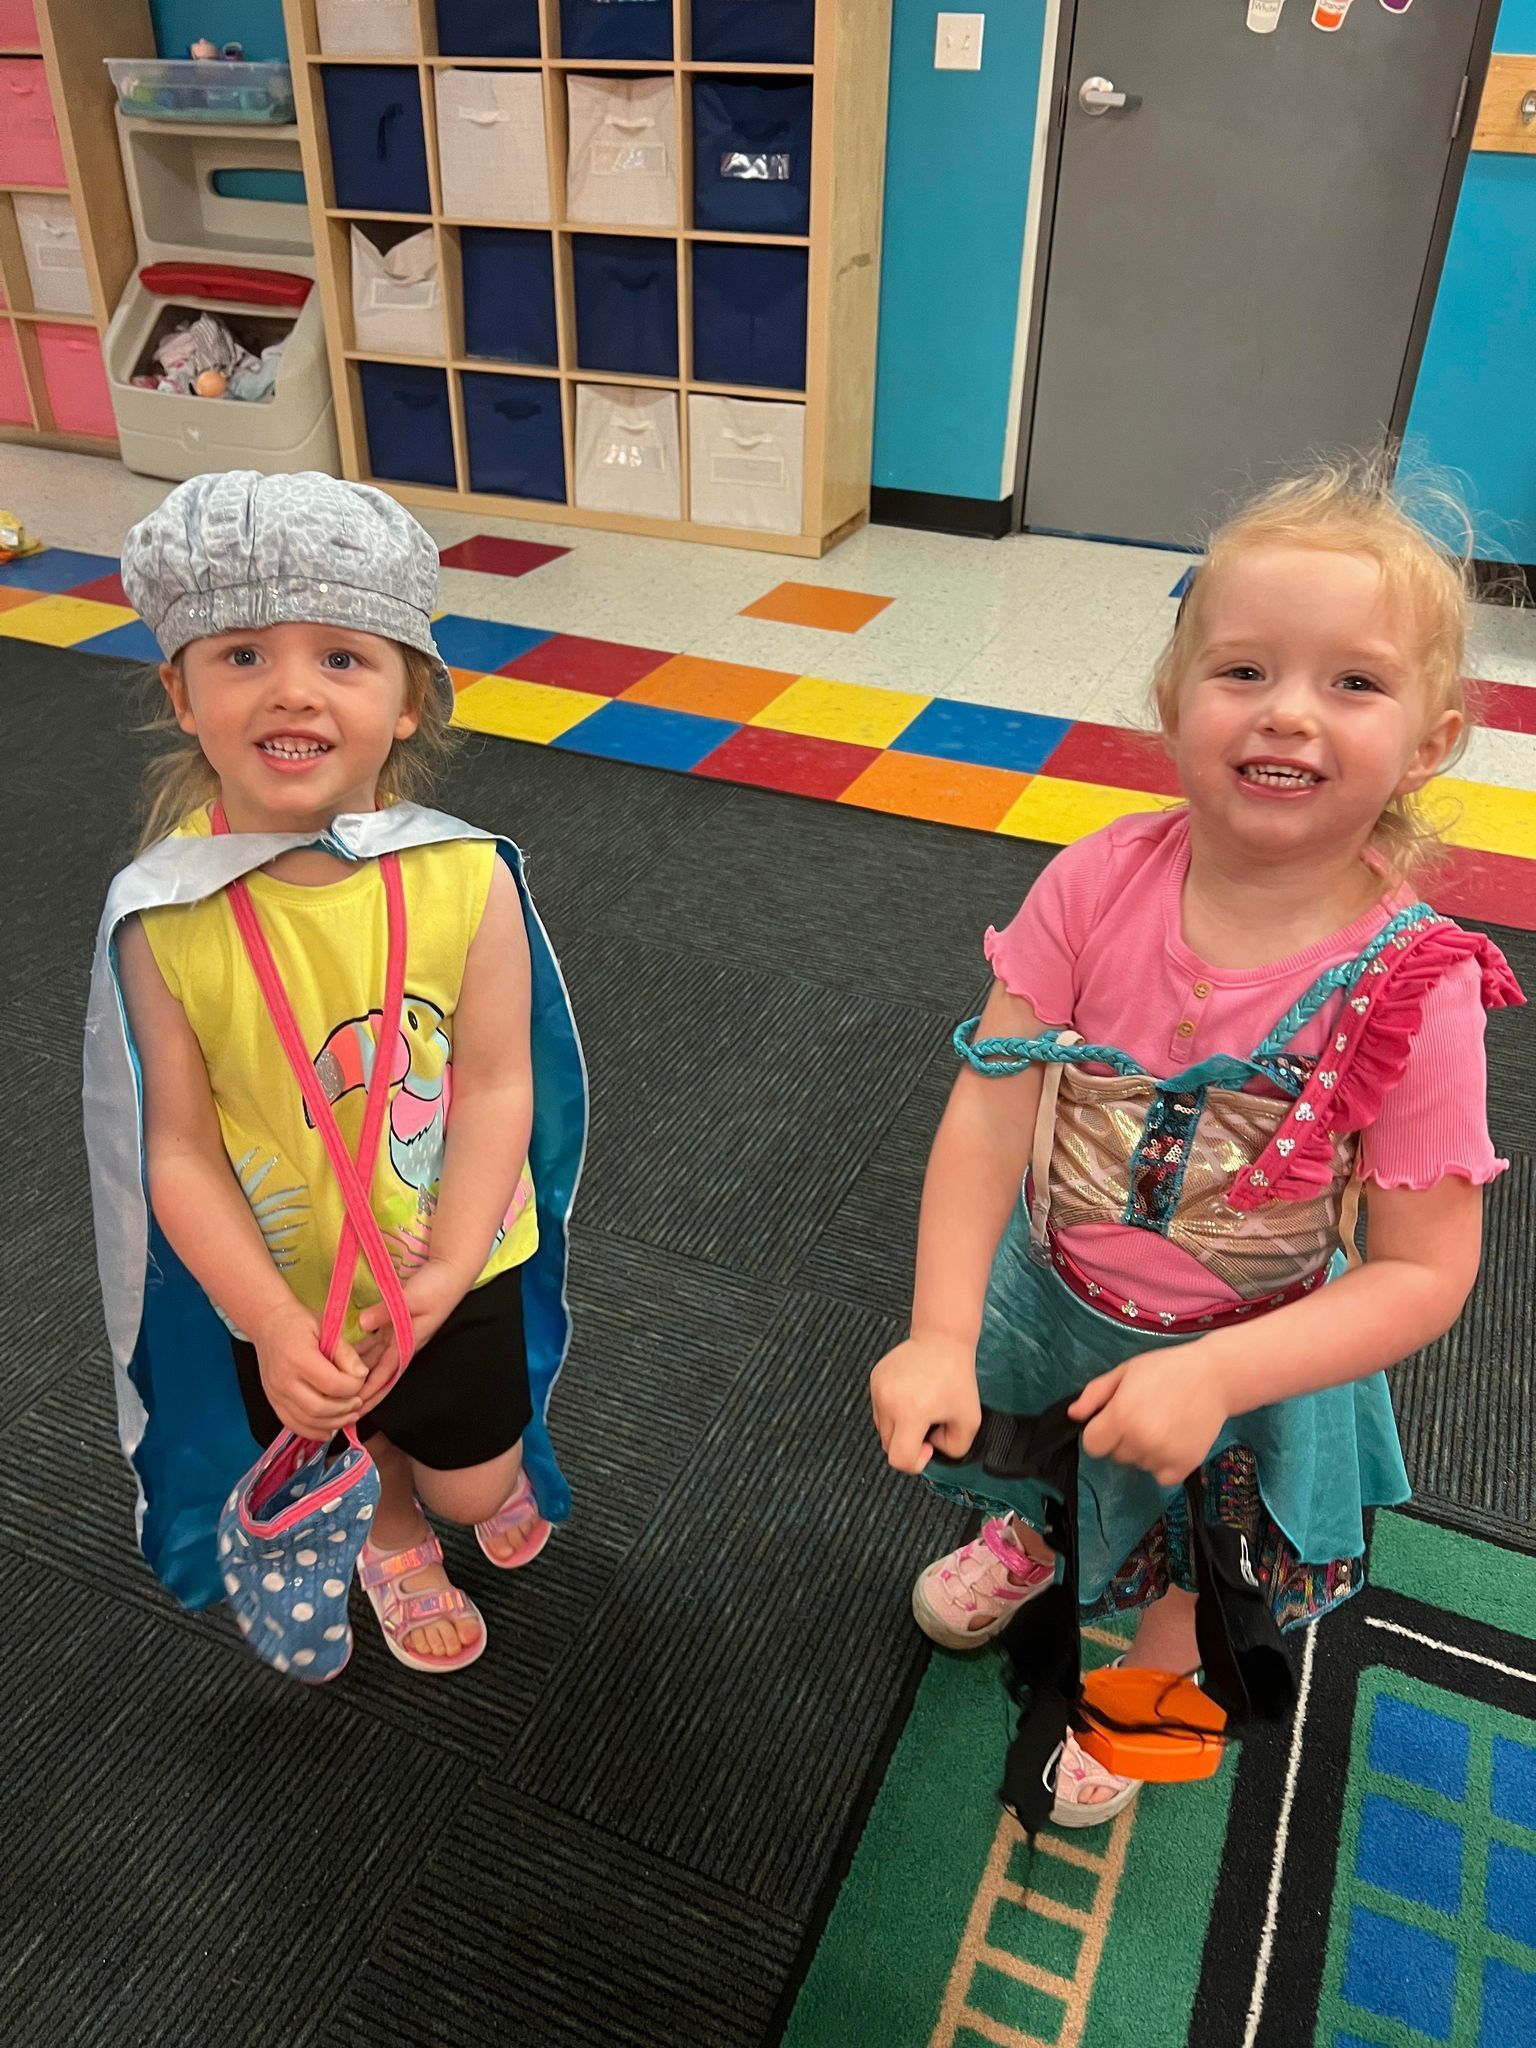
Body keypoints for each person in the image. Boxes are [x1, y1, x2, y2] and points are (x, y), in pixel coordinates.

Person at [869, 463, 1523, 1825]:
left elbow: (1424, 1273)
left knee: (1193, 1566)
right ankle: (1044, 1538)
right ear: (1173, 700)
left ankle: (1144, 1694)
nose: (1288, 709)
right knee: (1047, 1452)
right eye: (1243, 668)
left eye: (1354, 683)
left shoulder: (1419, 986)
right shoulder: (1093, 878)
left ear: (1433, 738)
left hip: (1259, 1349)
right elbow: (990, 1111)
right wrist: (938, 1331)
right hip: (1057, 1299)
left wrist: (1221, 1371)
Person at [84, 470, 586, 1676]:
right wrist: (263, 1318)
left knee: (483, 1482)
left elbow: (500, 1087)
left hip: (450, 1261)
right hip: (292, 1290)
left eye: (344, 659)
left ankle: (452, 1492)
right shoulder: (162, 919)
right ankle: (391, 1532)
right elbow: (176, 1149)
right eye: (244, 653)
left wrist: (458, 1253)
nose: (293, 688)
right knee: (356, 1450)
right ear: (182, 693)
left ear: (411, 699)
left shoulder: (468, 879)